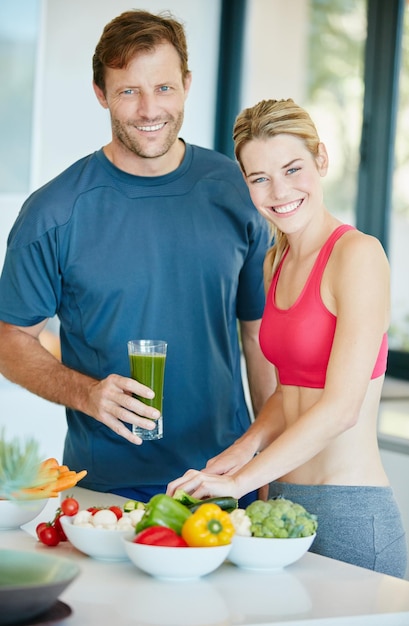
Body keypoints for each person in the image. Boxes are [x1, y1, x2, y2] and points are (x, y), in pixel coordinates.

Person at [0, 11, 276, 505]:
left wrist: (271, 459)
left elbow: (258, 336)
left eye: (164, 88)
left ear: (187, 85)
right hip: (107, 492)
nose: (150, 109)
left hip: (227, 481)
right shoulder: (54, 212)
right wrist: (86, 393)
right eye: (129, 91)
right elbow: (9, 339)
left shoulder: (238, 191)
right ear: (101, 94)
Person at [167, 98, 408, 577]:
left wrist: (241, 480)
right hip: (280, 505)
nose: (278, 191)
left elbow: (341, 408)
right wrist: (240, 451)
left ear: (321, 159)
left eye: (292, 168)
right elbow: (291, 389)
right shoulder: (275, 261)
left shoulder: (358, 255)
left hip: (350, 513)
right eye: (259, 178)